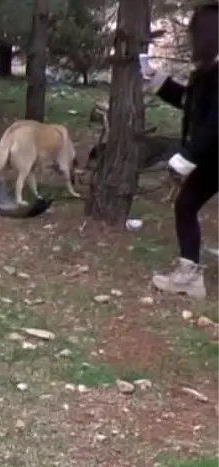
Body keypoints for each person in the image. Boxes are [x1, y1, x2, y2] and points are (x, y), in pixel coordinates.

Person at [144, 1, 219, 298]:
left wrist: (187, 157)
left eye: (194, 32)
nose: (190, 38)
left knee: (186, 205)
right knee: (186, 205)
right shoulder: (209, 69)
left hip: (213, 155)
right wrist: (158, 81)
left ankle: (189, 277)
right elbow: (193, 105)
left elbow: (216, 123)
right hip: (213, 157)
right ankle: (189, 276)